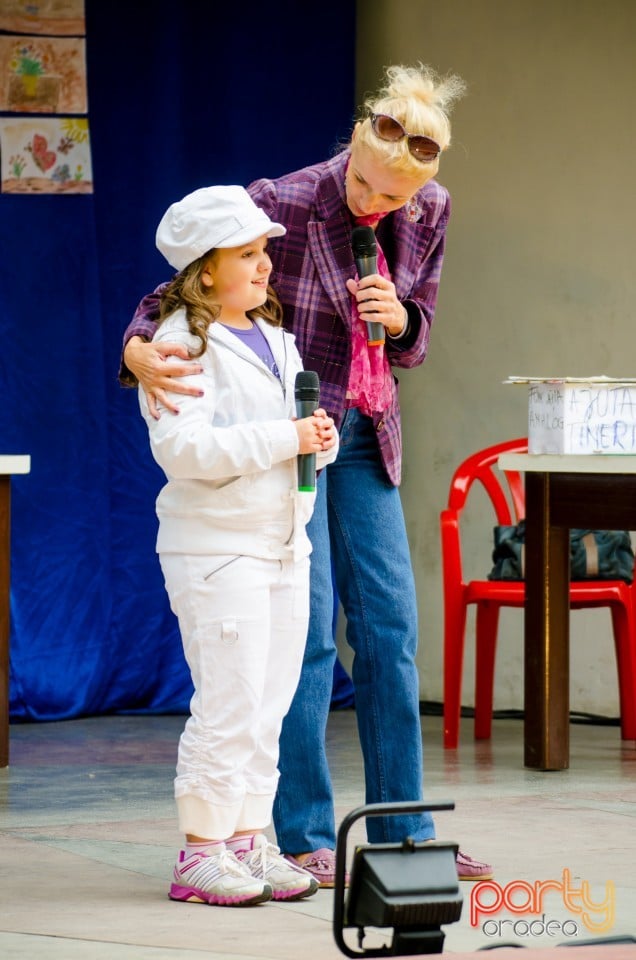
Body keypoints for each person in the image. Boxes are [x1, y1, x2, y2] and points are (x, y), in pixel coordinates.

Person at [122, 63, 492, 885]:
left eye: (391, 198)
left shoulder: (429, 209)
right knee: (307, 637)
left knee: (392, 631)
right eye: (364, 183)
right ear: (353, 147)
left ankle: (404, 828)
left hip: (364, 429)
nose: (374, 203)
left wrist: (403, 321)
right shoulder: (284, 201)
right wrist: (135, 346)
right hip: (287, 438)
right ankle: (297, 831)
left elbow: (416, 334)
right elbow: (174, 294)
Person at [138, 184, 338, 907]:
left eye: (264, 254)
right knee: (230, 699)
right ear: (203, 268)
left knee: (270, 704)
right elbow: (184, 450)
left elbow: (292, 435)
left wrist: (319, 441)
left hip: (282, 545)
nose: (264, 268)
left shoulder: (276, 340)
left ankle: (250, 840)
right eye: (247, 254)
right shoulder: (178, 345)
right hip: (218, 552)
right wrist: (288, 438)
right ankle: (201, 853)